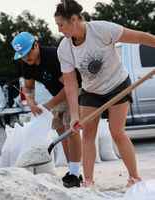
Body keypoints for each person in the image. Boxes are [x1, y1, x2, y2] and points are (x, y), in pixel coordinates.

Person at [54, 0, 155, 187]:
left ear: (74, 19)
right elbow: (70, 84)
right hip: (91, 91)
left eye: (61, 24)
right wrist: (75, 115)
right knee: (88, 134)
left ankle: (134, 178)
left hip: (118, 85)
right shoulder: (64, 48)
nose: (60, 30)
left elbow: (139, 37)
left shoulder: (102, 30)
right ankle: (89, 182)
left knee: (117, 132)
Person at [11, 32, 82, 188]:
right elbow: (28, 87)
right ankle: (72, 170)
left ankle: (76, 173)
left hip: (76, 91)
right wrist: (31, 102)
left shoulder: (52, 56)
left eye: (28, 53)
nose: (25, 58)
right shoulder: (26, 64)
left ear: (36, 45)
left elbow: (70, 86)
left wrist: (49, 105)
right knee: (60, 130)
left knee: (71, 129)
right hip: (58, 95)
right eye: (22, 55)